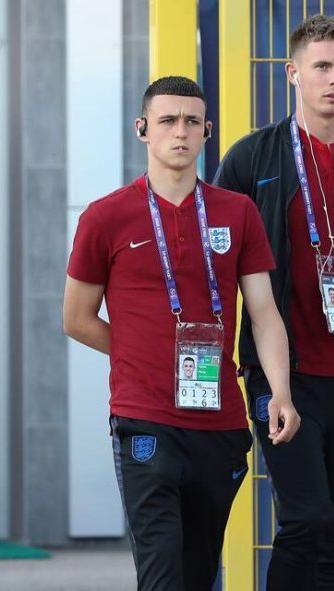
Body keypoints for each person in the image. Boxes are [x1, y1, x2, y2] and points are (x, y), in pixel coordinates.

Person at [63, 76, 301, 591]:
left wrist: (280, 391)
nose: (180, 131)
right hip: (144, 418)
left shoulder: (237, 212)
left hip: (219, 423)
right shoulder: (105, 216)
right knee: (162, 573)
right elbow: (76, 318)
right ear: (142, 129)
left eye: (192, 121)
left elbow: (263, 313)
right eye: (167, 120)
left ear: (207, 132)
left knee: (197, 573)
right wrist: (140, 358)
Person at [214, 15, 334, 590]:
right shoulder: (253, 159)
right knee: (307, 519)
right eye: (322, 67)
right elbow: (214, 272)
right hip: (285, 374)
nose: (332, 80)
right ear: (293, 74)